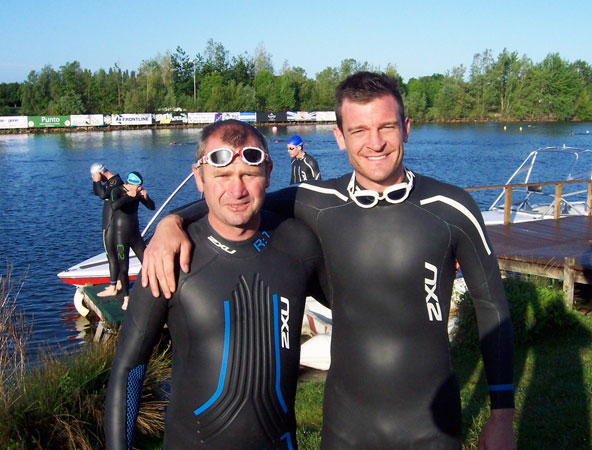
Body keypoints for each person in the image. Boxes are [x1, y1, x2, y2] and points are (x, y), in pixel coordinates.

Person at [141, 72, 515, 449]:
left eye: (387, 126)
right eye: (358, 130)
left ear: (406, 127)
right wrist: (173, 222)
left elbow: (491, 308)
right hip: (346, 428)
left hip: (430, 426)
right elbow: (236, 200)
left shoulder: (451, 208)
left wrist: (502, 415)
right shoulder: (316, 201)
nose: (375, 143)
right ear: (339, 137)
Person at [104, 120, 326, 449]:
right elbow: (128, 370)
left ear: (268, 172)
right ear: (199, 179)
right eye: (222, 176)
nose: (236, 190)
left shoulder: (298, 243)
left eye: (249, 175)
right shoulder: (170, 258)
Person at [98, 171, 155, 309]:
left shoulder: (138, 193)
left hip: (135, 235)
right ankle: (126, 297)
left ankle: (153, 290)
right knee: (124, 268)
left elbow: (152, 207)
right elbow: (114, 206)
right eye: (138, 186)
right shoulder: (116, 191)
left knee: (147, 261)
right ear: (130, 184)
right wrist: (128, 196)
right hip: (120, 236)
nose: (140, 188)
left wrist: (146, 198)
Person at [91, 163, 124, 295]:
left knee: (111, 254)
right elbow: (97, 192)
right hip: (111, 222)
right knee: (114, 254)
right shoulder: (113, 181)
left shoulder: (115, 182)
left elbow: (102, 194)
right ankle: (120, 281)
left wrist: (98, 181)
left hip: (110, 224)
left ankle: (113, 287)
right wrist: (96, 182)